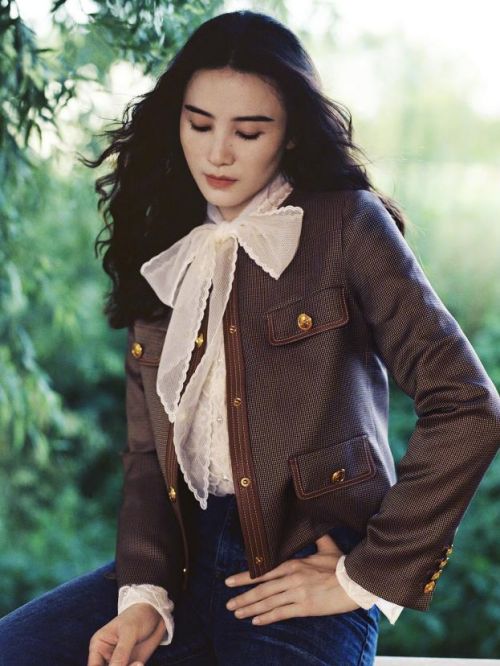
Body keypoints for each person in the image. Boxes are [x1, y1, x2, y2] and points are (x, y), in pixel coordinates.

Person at [1, 9, 499, 666]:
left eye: (249, 131)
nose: (218, 153)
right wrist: (144, 594)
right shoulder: (162, 244)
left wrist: (366, 575)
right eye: (199, 124)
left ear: (290, 134)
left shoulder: (348, 225)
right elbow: (148, 456)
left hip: (301, 567)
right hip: (179, 561)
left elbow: (467, 403)